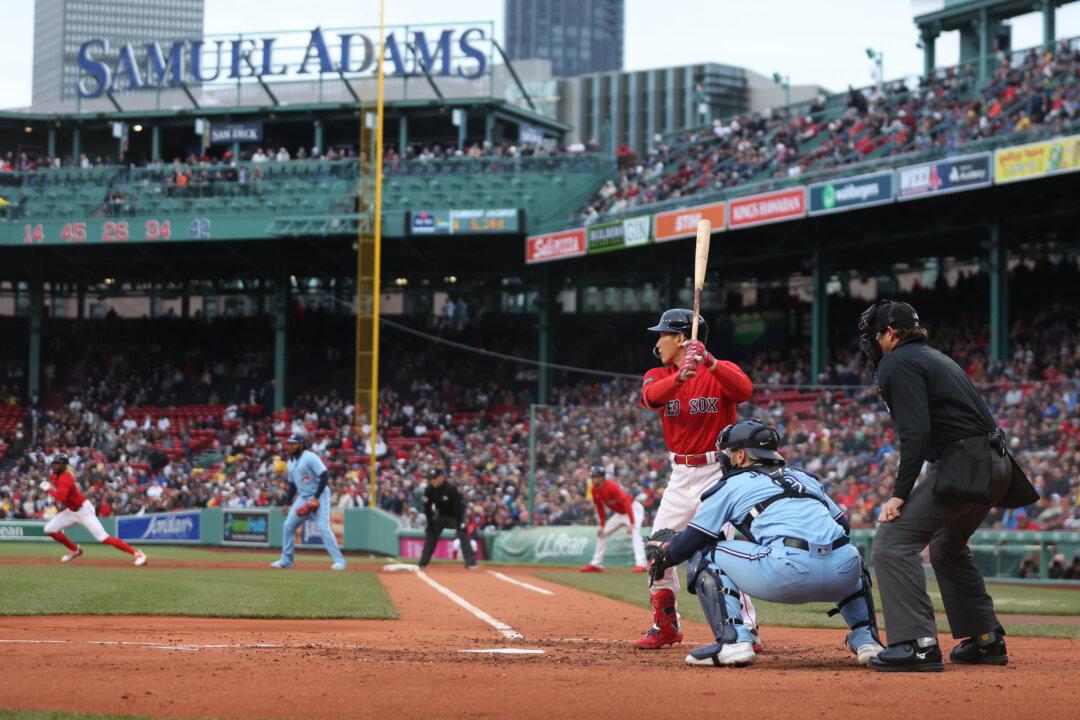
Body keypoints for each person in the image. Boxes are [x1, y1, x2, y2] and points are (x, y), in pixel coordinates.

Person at [857, 300, 1038, 671]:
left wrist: (899, 494)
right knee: (946, 545)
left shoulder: (898, 362)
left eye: (876, 335)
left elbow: (916, 434)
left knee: (893, 542)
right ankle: (985, 640)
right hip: (996, 464)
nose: (873, 343)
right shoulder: (935, 357)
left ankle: (916, 644)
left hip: (965, 463)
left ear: (890, 333)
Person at [645, 420, 883, 667]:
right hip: (842, 574)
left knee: (706, 553)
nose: (725, 459)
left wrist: (666, 554)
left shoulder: (731, 485)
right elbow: (842, 526)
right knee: (847, 552)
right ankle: (868, 641)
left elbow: (694, 538)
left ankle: (733, 642)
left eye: (728, 453)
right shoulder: (805, 478)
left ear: (741, 455)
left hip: (788, 573)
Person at [635, 308, 759, 650]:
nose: (657, 341)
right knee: (657, 550)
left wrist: (708, 362)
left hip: (717, 473)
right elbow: (650, 398)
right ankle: (667, 626)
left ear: (680, 338)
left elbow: (744, 390)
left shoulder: (720, 368)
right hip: (679, 474)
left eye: (662, 334)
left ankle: (745, 628)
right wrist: (679, 377)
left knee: (724, 552)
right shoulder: (657, 373)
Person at [40, 453, 147, 566]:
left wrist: (48, 489)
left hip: (84, 511)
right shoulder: (55, 476)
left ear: (63, 465)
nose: (53, 465)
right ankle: (75, 550)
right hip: (71, 511)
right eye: (53, 463)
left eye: (56, 463)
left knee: (103, 538)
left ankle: (138, 554)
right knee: (49, 529)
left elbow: (61, 498)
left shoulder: (66, 478)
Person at [271, 435, 346, 570]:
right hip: (303, 497)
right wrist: (287, 503)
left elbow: (324, 475)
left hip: (320, 495)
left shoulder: (310, 457)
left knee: (323, 528)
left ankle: (339, 561)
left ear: (301, 444)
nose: (290, 446)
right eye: (289, 444)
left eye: (293, 444)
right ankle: (286, 561)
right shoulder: (291, 462)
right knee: (288, 526)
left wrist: (316, 497)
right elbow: (292, 485)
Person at [580, 465, 647, 573]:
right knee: (603, 533)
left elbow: (625, 502)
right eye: (592, 477)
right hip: (620, 514)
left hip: (633, 509)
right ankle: (596, 564)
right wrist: (602, 526)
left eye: (595, 477)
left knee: (635, 531)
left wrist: (632, 523)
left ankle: (641, 564)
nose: (592, 479)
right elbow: (600, 508)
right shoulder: (594, 490)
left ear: (602, 478)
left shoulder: (612, 487)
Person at [418, 469, 477, 569]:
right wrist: (430, 524)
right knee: (431, 533)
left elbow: (459, 507)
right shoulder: (429, 489)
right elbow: (427, 508)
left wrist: (460, 523)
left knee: (462, 532)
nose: (433, 481)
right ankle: (423, 562)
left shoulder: (451, 488)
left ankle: (471, 563)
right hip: (441, 515)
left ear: (441, 478)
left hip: (455, 515)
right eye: (431, 479)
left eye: (435, 478)